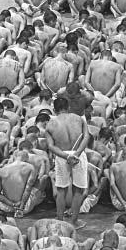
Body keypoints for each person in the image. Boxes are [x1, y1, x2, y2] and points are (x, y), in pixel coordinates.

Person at [45, 97, 89, 229]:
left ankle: (60, 220)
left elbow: (51, 146)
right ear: (68, 107)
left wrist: (66, 156)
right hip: (78, 155)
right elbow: (86, 137)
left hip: (62, 155)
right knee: (78, 190)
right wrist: (77, 154)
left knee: (61, 190)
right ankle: (74, 221)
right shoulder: (79, 118)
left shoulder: (50, 124)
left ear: (54, 109)